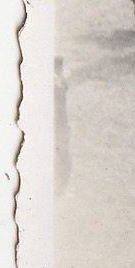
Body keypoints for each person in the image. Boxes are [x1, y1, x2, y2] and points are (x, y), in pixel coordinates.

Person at [54, 55, 72, 198]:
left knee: (63, 155)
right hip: (57, 123)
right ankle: (60, 188)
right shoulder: (56, 84)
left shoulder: (59, 82)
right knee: (61, 154)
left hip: (61, 122)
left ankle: (62, 188)